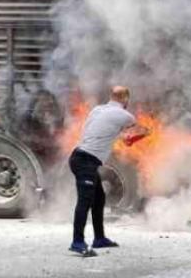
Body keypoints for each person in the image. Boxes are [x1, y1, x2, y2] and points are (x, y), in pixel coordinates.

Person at [68, 86, 150, 257]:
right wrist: (145, 133)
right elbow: (135, 134)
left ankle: (99, 238)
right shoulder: (125, 116)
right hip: (85, 161)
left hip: (80, 157)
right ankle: (77, 242)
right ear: (126, 99)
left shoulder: (97, 110)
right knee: (85, 202)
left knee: (99, 198)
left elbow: (112, 132)